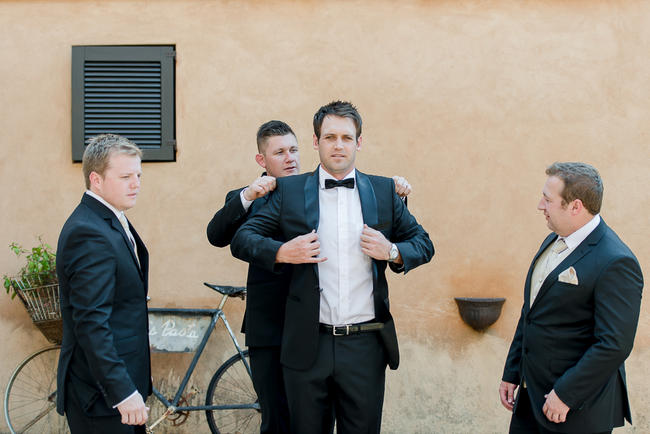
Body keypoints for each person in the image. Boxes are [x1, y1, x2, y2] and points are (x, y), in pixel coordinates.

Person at [230, 101, 434, 434]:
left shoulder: (383, 191)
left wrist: (392, 250)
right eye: (329, 137)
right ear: (316, 142)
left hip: (365, 346)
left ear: (359, 142)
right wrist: (282, 251)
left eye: (346, 137)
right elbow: (242, 239)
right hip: (308, 345)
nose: (338, 145)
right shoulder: (290, 191)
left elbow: (423, 244)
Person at [499, 162, 643, 433]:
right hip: (531, 399)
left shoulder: (616, 261)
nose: (540, 205)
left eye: (548, 199)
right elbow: (532, 312)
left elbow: (613, 344)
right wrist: (513, 371)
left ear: (575, 206)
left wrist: (565, 395)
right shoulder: (553, 241)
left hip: (575, 411)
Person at [56, 134, 152, 433]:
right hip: (100, 396)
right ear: (96, 180)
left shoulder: (109, 219)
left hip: (117, 389)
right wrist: (121, 391)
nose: (136, 183)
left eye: (138, 175)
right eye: (125, 176)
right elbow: (91, 321)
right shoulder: (88, 231)